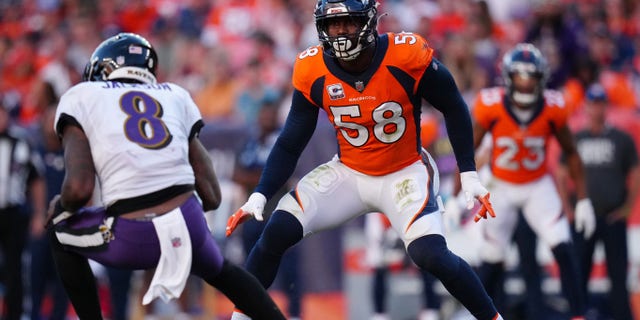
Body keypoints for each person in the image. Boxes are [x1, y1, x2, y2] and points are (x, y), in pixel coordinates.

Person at [224, 1, 503, 319]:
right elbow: (291, 141)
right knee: (275, 231)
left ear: (370, 22)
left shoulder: (405, 54)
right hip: (350, 172)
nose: (340, 32)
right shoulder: (312, 68)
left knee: (431, 255)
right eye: (333, 24)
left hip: (404, 171)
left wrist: (468, 172)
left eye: (349, 22)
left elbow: (453, 105)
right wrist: (261, 194)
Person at [44, 32, 286, 320]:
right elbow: (211, 195)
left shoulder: (82, 96)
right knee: (222, 272)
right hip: (188, 222)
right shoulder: (175, 94)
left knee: (60, 228)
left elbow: (79, 189)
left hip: (130, 233)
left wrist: (61, 207)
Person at [463, 43, 595, 319]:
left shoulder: (554, 107)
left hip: (537, 185)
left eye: (531, 77)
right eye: (519, 77)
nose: (525, 84)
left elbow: (571, 153)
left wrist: (583, 200)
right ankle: (476, 315)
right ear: (508, 78)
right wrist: (457, 192)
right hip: (501, 185)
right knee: (492, 258)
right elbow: (468, 151)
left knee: (562, 245)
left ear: (541, 79)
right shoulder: (491, 105)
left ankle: (579, 315)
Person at [557, 84, 639, 320]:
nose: (596, 108)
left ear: (606, 106)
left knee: (618, 277)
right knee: (579, 273)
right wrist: (568, 209)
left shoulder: (620, 139)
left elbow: (635, 172)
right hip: (584, 216)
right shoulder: (576, 138)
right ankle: (578, 316)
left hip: (613, 216)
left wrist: (627, 208)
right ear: (586, 107)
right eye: (592, 103)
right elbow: (562, 173)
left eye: (600, 103)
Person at [0, 98, 47, 320]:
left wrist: (39, 213)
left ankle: (15, 314)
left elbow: (36, 179)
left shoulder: (21, 141)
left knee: (15, 268)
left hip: (13, 213)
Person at [27, 86, 70, 320]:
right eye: (49, 118)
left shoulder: (73, 153)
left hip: (66, 224)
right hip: (42, 223)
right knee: (36, 277)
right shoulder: (34, 150)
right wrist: (36, 214)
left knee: (64, 280)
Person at [365, 213, 441, 320]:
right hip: (387, 245)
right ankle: (379, 313)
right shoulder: (376, 214)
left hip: (411, 239)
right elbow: (375, 239)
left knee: (426, 262)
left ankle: (431, 309)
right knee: (378, 267)